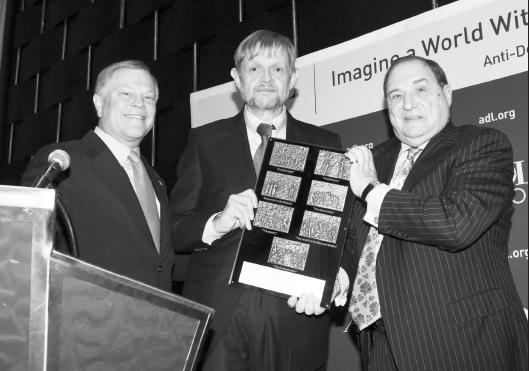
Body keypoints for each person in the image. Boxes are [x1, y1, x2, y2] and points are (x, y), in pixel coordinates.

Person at [170, 30, 342, 371]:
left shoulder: (325, 142)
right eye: (254, 69)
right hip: (219, 318)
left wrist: (327, 282)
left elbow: (336, 231)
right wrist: (216, 222)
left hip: (295, 315)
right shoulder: (206, 140)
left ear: (292, 79)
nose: (266, 78)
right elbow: (175, 228)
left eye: (278, 69)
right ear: (237, 79)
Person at [342, 55, 528, 370]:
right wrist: (341, 274)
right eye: (396, 96)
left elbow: (456, 224)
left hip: (463, 344)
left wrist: (372, 190)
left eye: (420, 90)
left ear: (447, 94)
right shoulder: (371, 160)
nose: (408, 104)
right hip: (378, 348)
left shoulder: (482, 144)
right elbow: (351, 238)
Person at [22, 60, 174, 291]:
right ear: (99, 103)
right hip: (86, 318)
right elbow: (28, 247)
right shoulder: (61, 162)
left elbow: (157, 262)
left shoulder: (156, 181)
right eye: (126, 93)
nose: (138, 104)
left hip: (155, 319)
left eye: (148, 97)